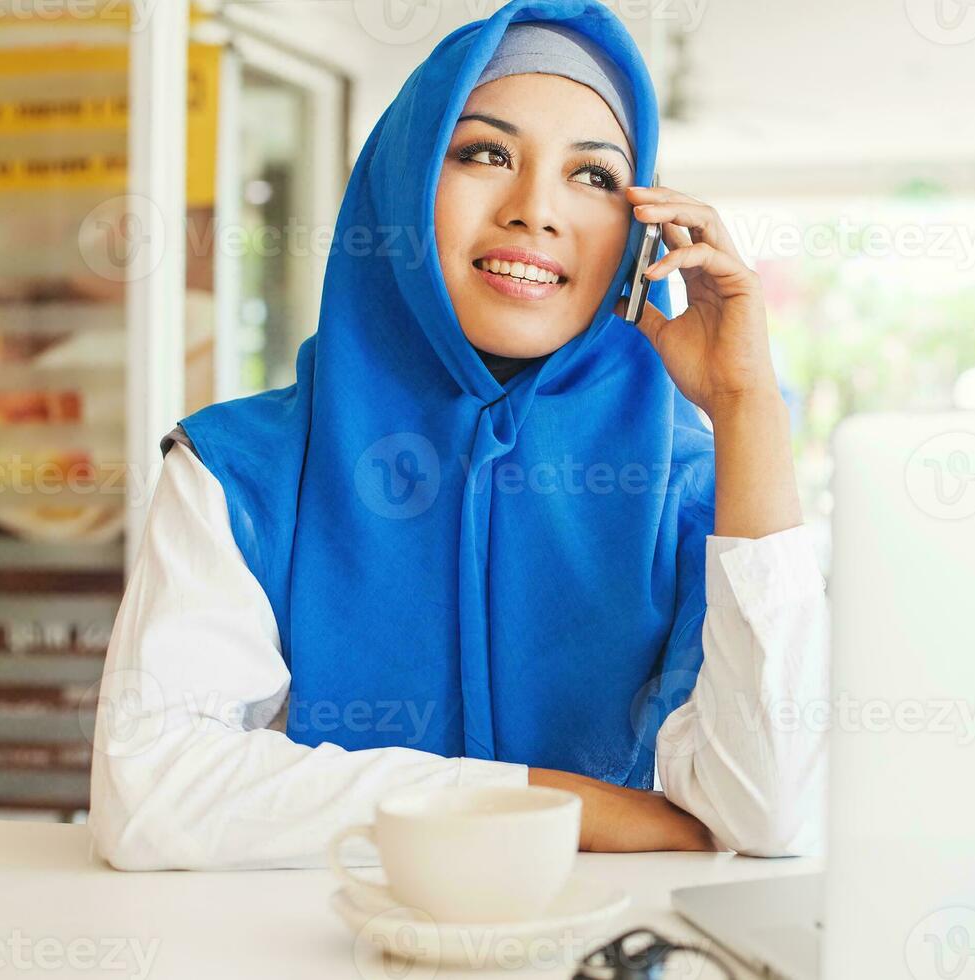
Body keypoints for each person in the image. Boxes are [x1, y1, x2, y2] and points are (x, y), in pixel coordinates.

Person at [87, 0, 828, 871]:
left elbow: (770, 812)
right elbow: (151, 794)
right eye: (484, 153)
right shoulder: (242, 470)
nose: (535, 211)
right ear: (401, 186)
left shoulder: (704, 488)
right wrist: (556, 805)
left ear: (637, 231)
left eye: (592, 176)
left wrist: (746, 408)